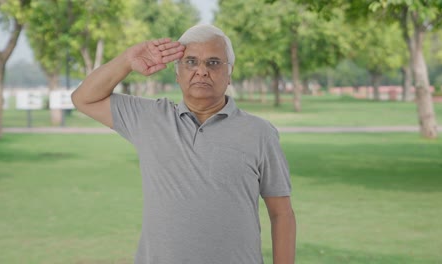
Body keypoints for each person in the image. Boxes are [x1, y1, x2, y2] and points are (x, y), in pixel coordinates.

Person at [71, 24, 296, 264]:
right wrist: (127, 60)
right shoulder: (149, 118)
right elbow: (83, 98)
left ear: (229, 73)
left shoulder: (260, 133)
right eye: (190, 62)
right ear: (177, 73)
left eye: (213, 63)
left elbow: (281, 214)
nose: (201, 71)